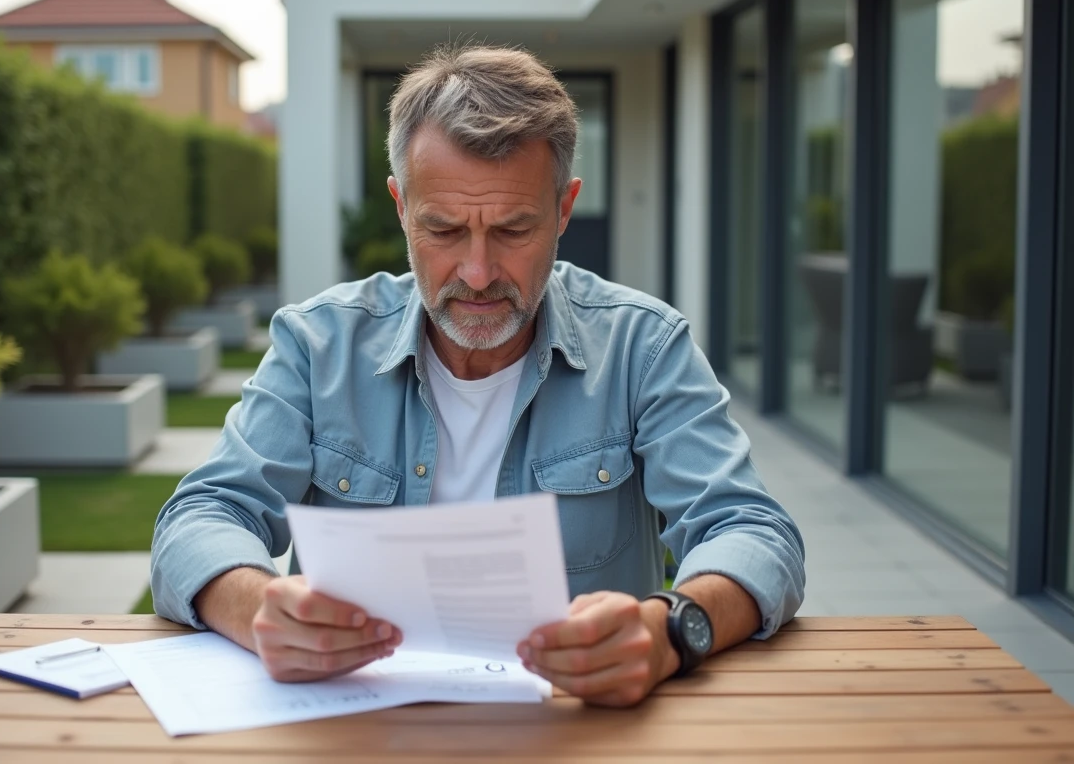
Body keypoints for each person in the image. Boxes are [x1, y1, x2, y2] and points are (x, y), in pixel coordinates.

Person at [151, 45, 805, 707]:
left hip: (578, 735)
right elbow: (198, 519)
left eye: (514, 229)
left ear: (565, 209)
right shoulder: (318, 346)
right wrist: (256, 606)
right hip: (358, 737)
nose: (478, 272)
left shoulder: (642, 345)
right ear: (401, 206)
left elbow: (754, 533)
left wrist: (671, 629)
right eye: (444, 229)